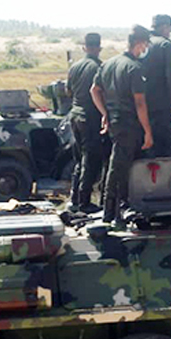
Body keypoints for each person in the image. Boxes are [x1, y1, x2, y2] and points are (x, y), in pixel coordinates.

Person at [91, 25, 154, 224]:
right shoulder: (134, 68)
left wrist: (105, 114)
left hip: (116, 122)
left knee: (119, 164)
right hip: (128, 124)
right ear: (141, 43)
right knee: (118, 167)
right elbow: (140, 103)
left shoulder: (109, 64)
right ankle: (110, 212)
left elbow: (94, 90)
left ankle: (121, 207)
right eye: (146, 45)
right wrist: (147, 131)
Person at [66, 33, 107, 212]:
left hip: (74, 115)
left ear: (84, 47)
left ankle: (74, 198)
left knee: (80, 159)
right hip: (90, 118)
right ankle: (84, 202)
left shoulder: (74, 67)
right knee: (91, 160)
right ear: (99, 48)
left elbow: (68, 91)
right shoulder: (99, 67)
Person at [142, 14, 171, 157]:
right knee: (162, 149)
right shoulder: (166, 46)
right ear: (164, 27)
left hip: (137, 107)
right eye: (168, 30)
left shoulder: (139, 45)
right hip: (160, 108)